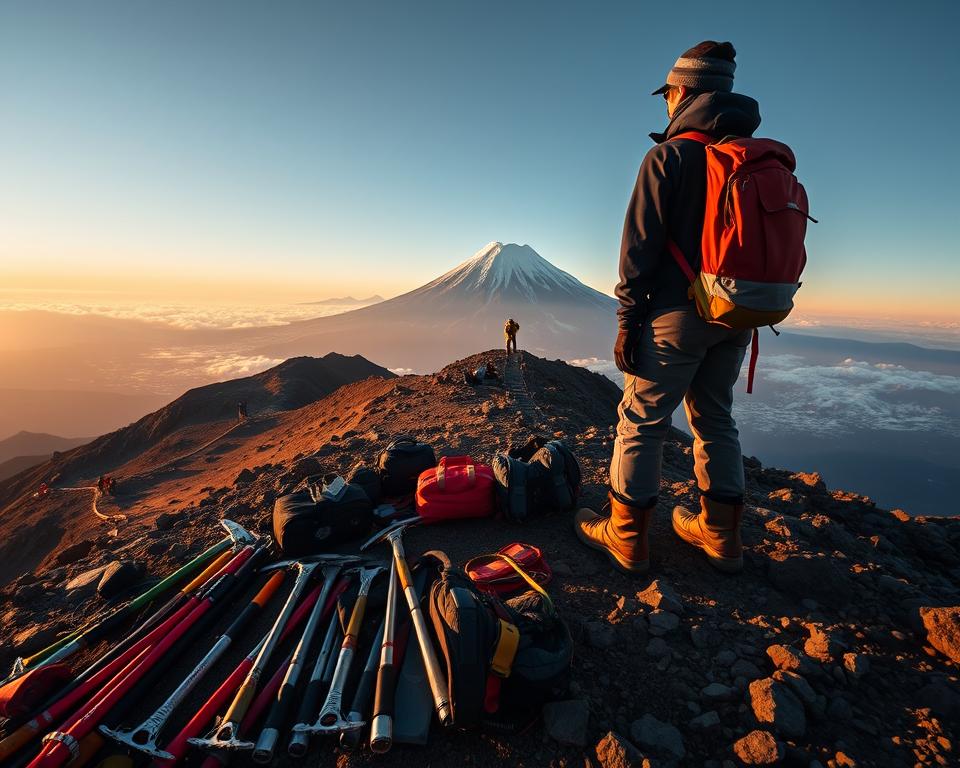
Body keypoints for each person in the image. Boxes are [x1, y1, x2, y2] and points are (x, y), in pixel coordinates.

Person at [574, 41, 759, 575]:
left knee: (642, 422)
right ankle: (721, 536)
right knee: (715, 419)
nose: (666, 103)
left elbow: (639, 249)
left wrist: (628, 321)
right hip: (736, 316)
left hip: (676, 317)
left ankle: (627, 539)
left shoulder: (669, 156)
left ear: (683, 91)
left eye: (669, 93)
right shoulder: (750, 154)